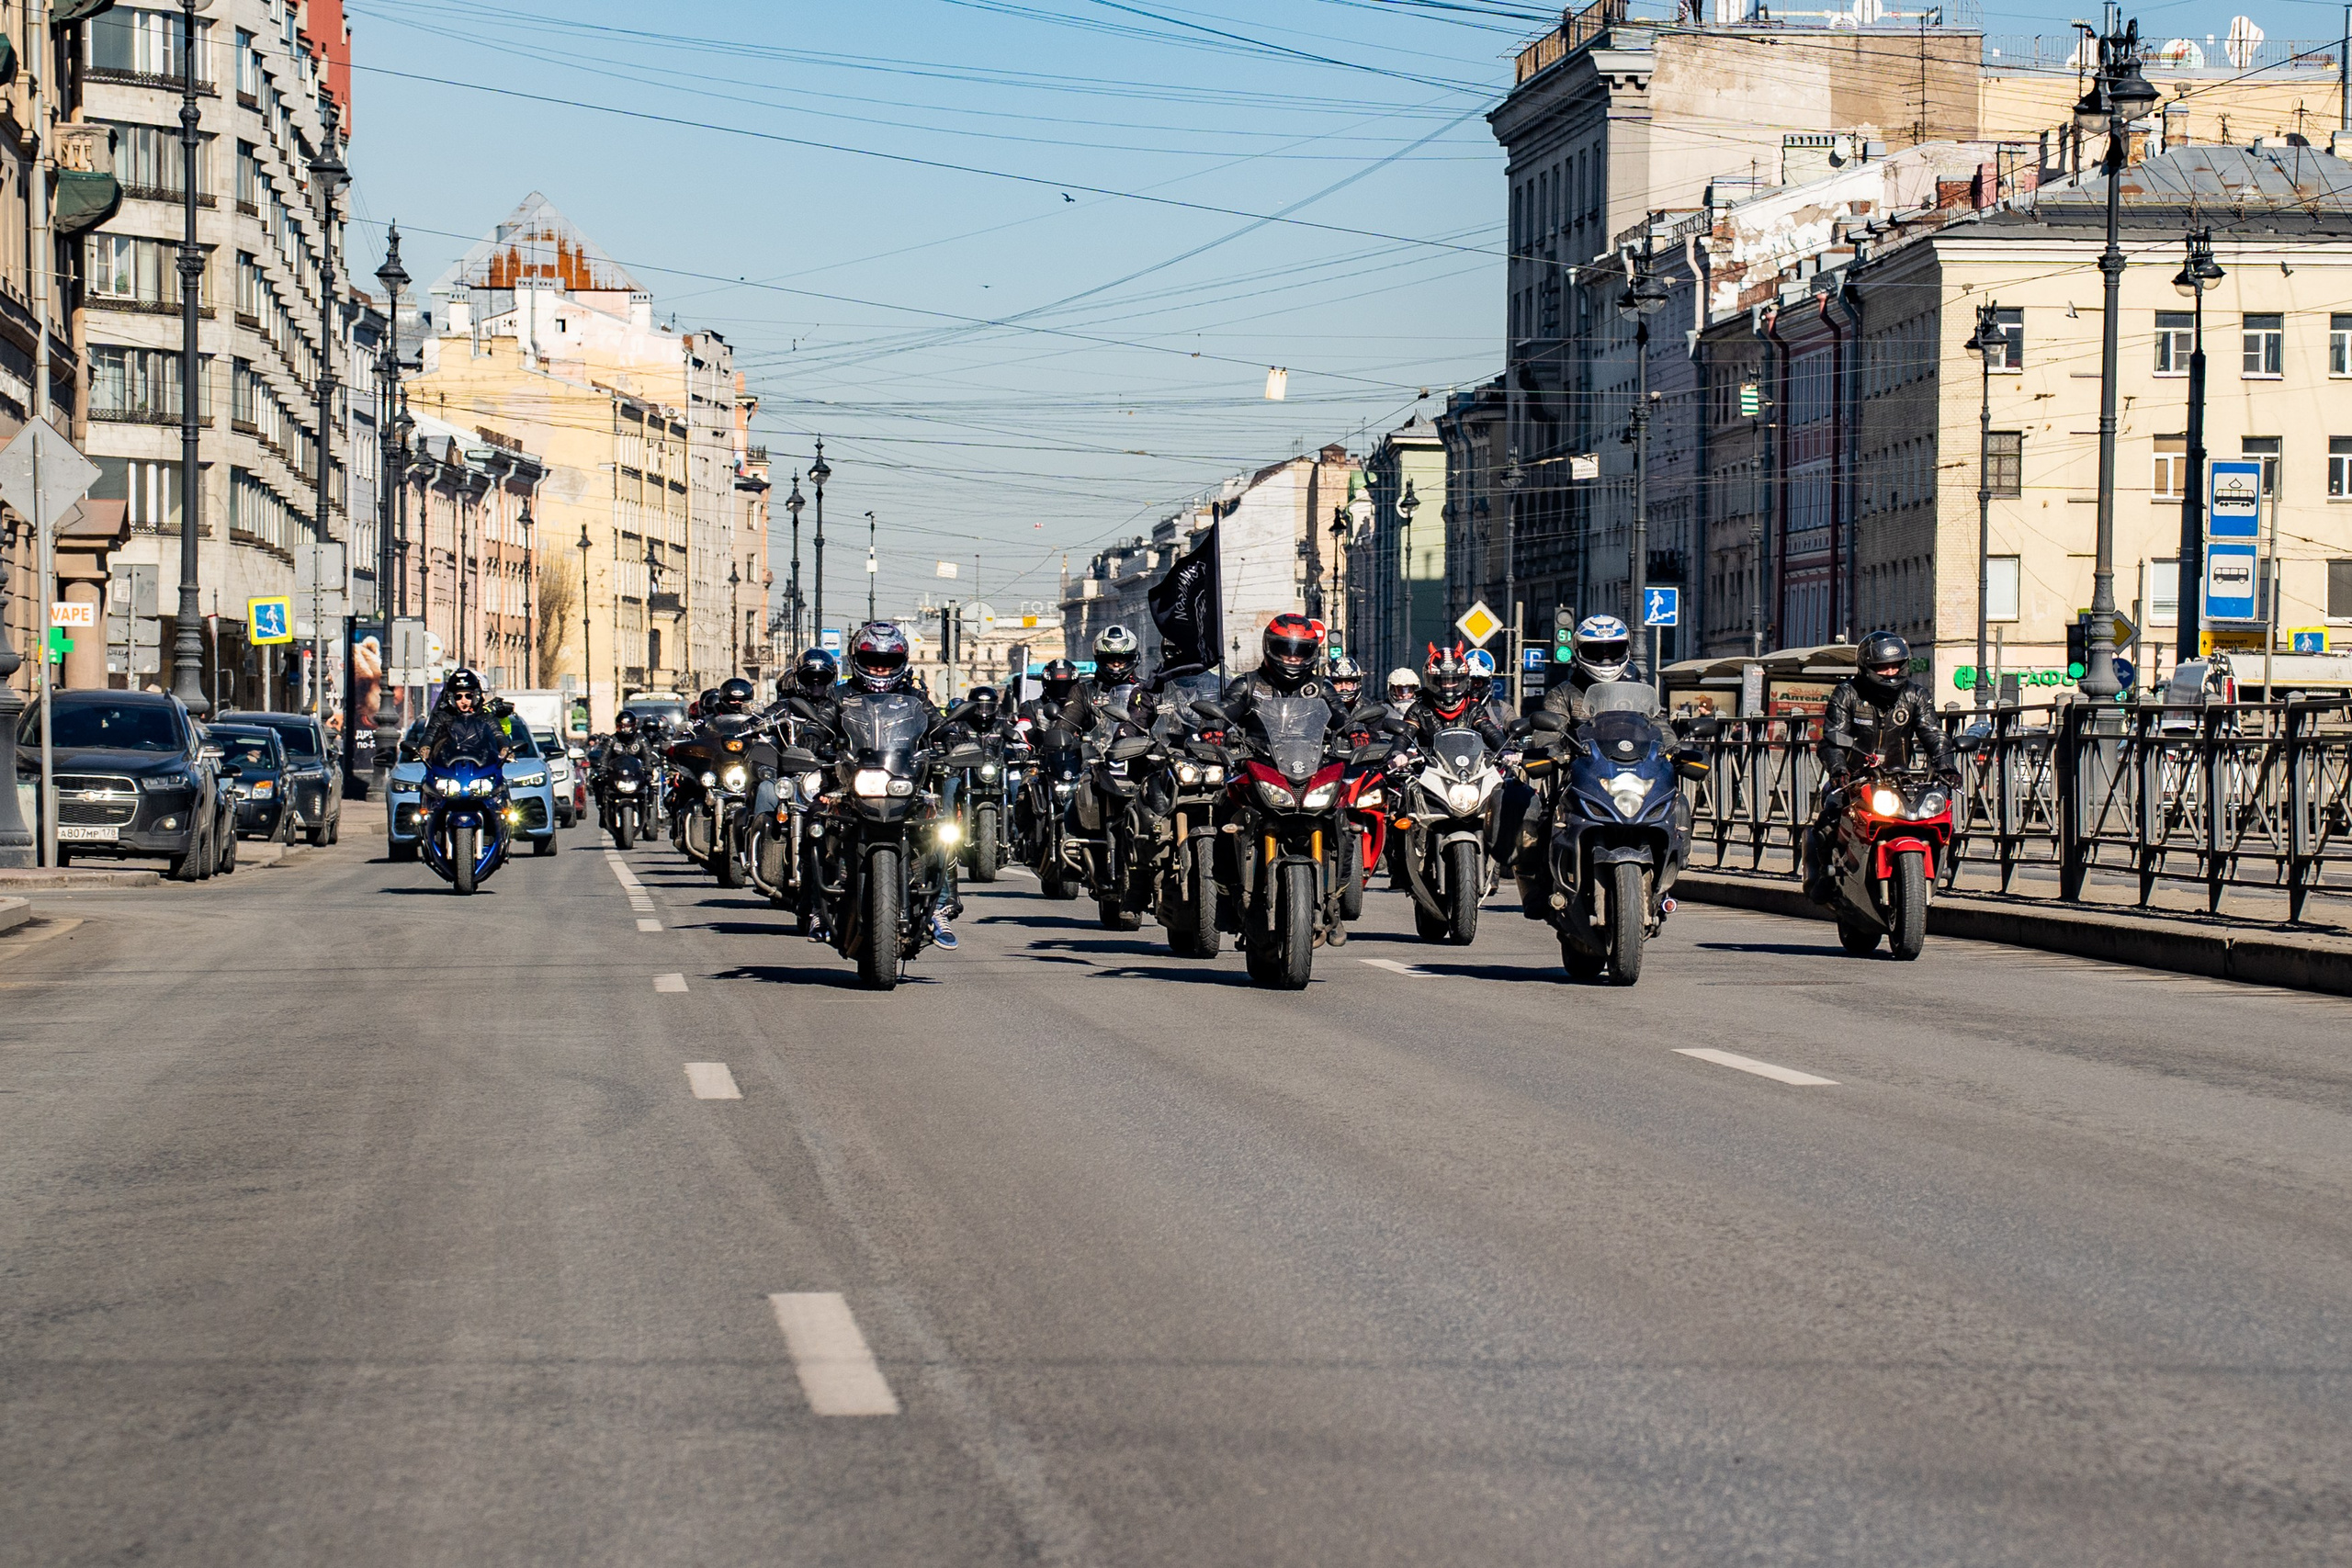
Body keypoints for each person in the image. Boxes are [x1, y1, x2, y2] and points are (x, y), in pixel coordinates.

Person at [1804, 630, 1959, 903]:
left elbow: (1933, 734)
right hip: (1854, 779)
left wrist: (1946, 765)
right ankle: (1826, 877)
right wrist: (1839, 770)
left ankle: (1941, 870)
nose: (1890, 672)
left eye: (1896, 665)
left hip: (1902, 779)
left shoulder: (1916, 695)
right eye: (1882, 667)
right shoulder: (1847, 693)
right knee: (1828, 816)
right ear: (1867, 668)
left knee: (1942, 817)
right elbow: (1832, 739)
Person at [836, 622, 960, 948]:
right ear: (856, 660)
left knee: (940, 830)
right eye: (873, 660)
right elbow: (820, 721)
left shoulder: (913, 696)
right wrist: (814, 736)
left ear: (901, 663)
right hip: (851, 786)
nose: (879, 668)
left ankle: (940, 906)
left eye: (888, 663)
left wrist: (951, 737)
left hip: (902, 782)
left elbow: (934, 722)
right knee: (818, 824)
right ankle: (815, 903)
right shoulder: (841, 696)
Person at [1540, 615, 1635, 728]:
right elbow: (1548, 735)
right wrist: (1549, 744)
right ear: (1579, 653)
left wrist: (1661, 738)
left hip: (1632, 747)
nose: (1606, 659)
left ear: (1626, 651)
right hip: (1579, 746)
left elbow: (1658, 726)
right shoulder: (1561, 695)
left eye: (1614, 651)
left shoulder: (1638, 694)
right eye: (1595, 652)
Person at [416, 668, 513, 765]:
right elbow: (430, 735)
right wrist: (425, 748)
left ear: (476, 696)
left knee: (500, 779)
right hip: (448, 768)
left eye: (468, 696)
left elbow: (498, 734)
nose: (464, 701)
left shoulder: (487, 717)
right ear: (451, 699)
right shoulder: (442, 717)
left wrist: (504, 748)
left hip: (482, 768)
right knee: (428, 780)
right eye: (458, 697)